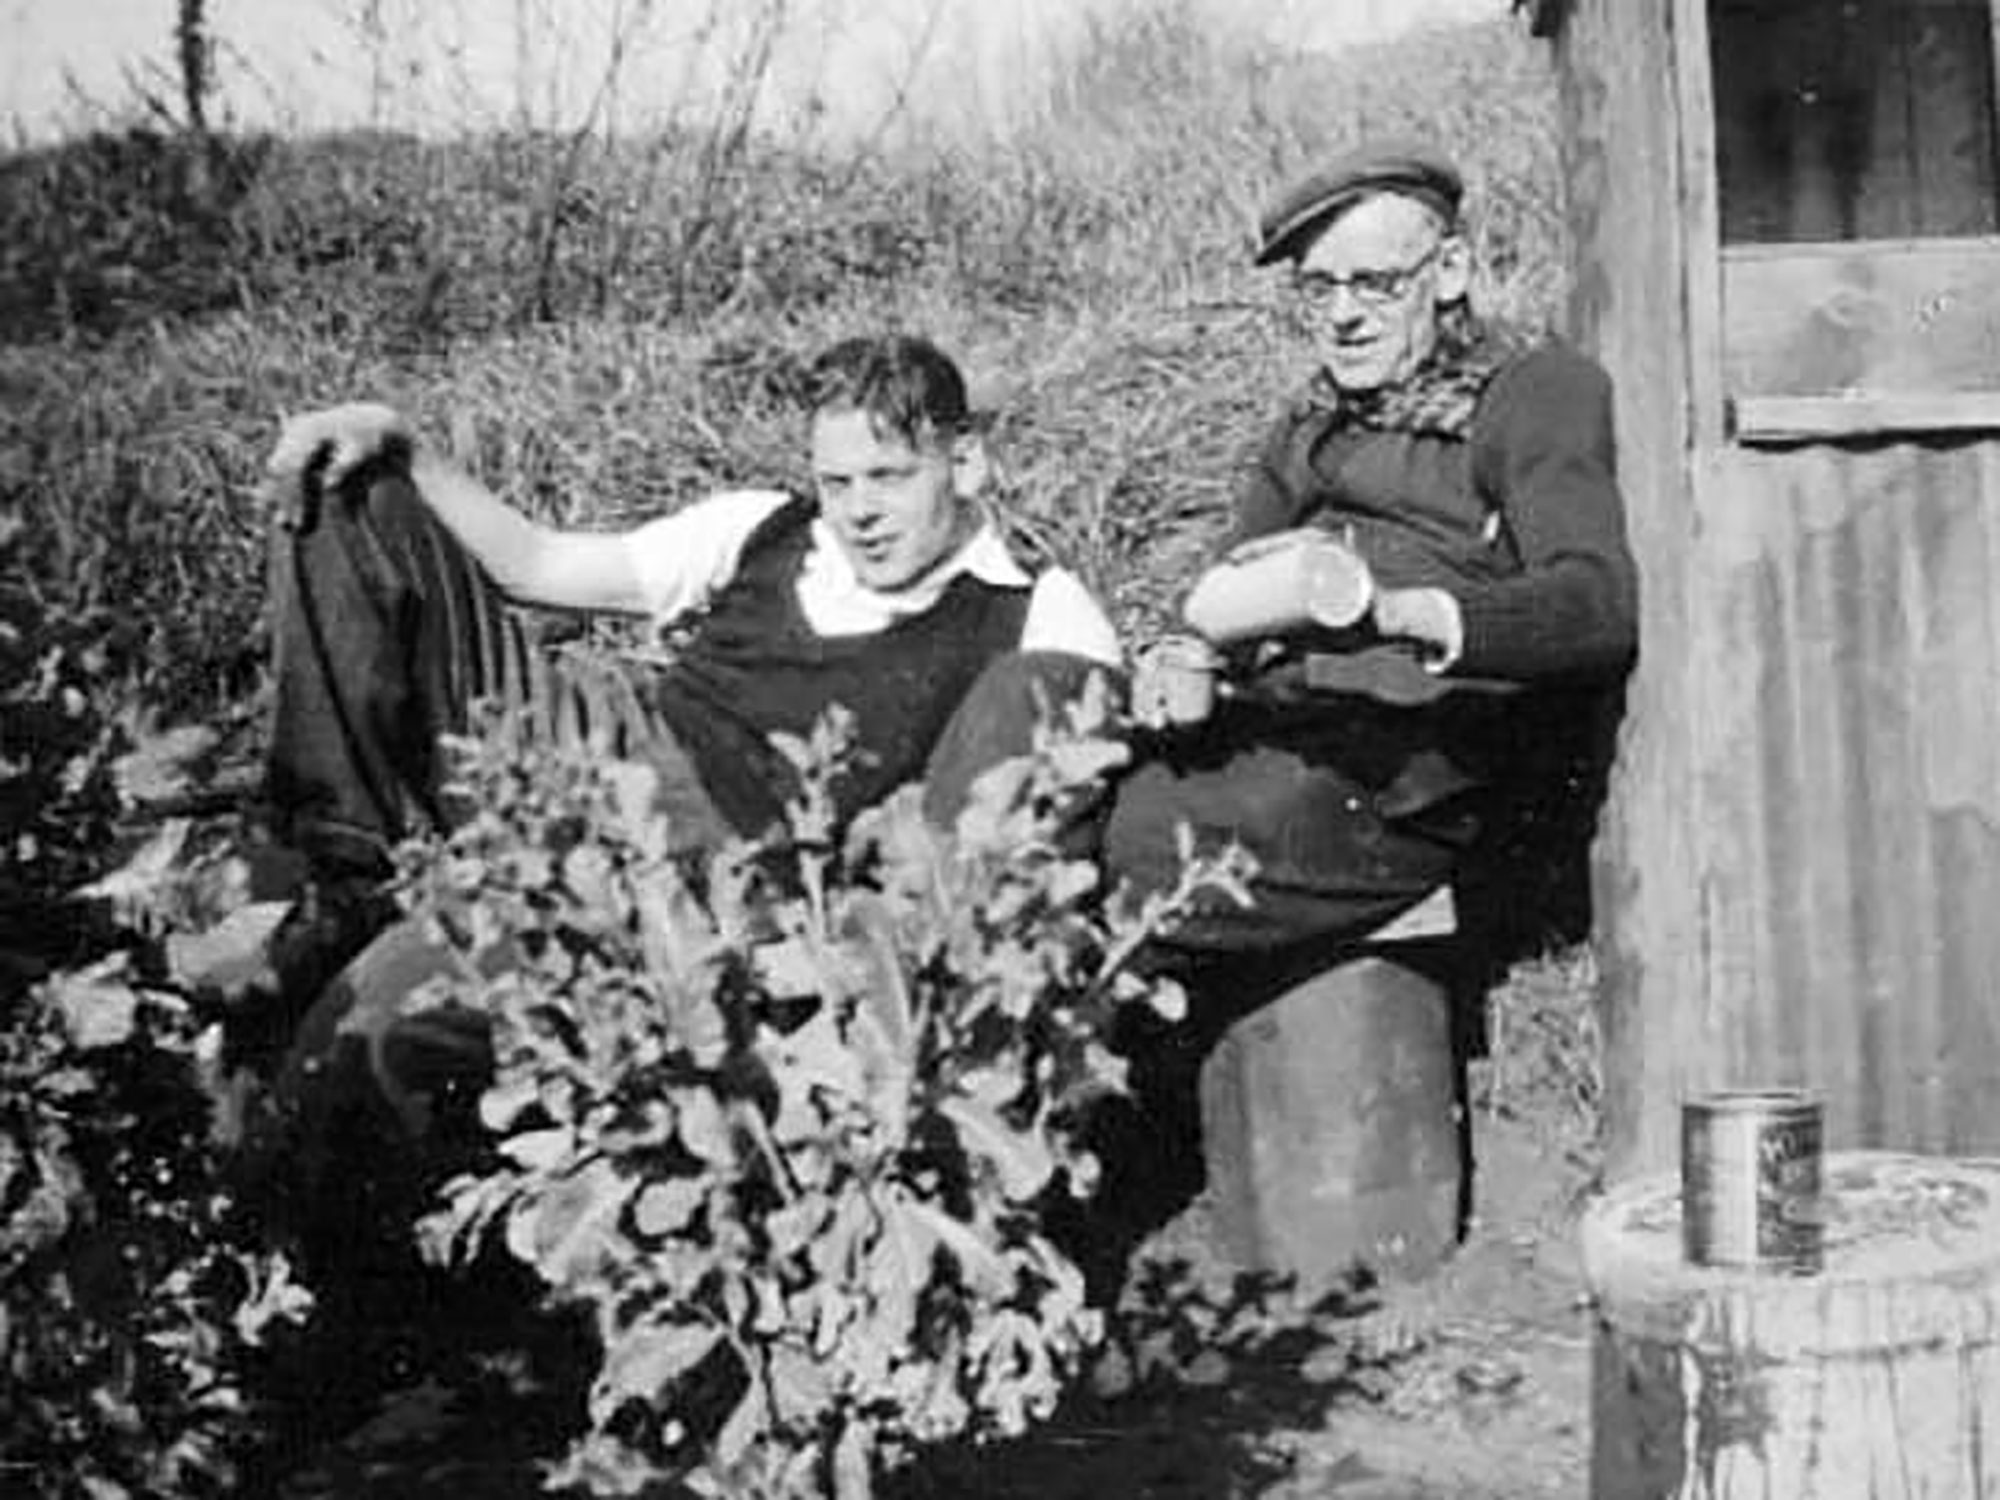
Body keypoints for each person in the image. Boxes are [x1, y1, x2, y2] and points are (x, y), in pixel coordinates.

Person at [240, 334, 1122, 1282]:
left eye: (889, 477)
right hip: (594, 747)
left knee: (374, 1026)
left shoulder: (1035, 612)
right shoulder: (766, 528)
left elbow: (1046, 798)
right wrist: (408, 445)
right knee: (353, 495)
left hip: (704, 875)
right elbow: (539, 565)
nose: (859, 512)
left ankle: (293, 1263)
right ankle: (347, 874)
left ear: (967, 460)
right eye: (837, 482)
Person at [1093, 138, 1638, 966]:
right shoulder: (1311, 423)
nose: (1344, 316)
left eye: (1377, 284)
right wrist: (1181, 649)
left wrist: (1400, 614)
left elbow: (1594, 602)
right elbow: (1224, 576)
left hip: (1422, 772)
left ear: (1449, 269)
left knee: (1128, 854)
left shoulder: (1530, 393)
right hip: (1294, 732)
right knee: (1055, 749)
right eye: (1318, 288)